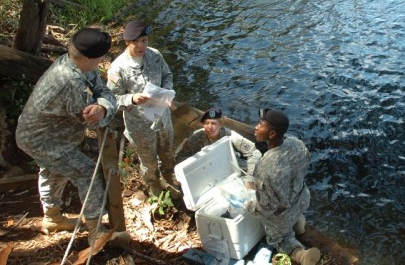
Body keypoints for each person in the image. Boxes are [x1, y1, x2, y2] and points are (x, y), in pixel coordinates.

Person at [15, 27, 117, 247]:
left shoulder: (74, 62)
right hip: (42, 139)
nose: (102, 61)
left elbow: (100, 88)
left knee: (53, 169)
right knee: (88, 173)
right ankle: (95, 230)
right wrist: (105, 108)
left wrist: (102, 103)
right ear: (91, 58)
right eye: (101, 57)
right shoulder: (71, 83)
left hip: (43, 135)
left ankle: (52, 218)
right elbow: (97, 120)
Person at [107, 20, 176, 197]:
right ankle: (155, 192)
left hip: (162, 116)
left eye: (144, 40)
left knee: (168, 153)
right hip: (140, 125)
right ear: (127, 42)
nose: (140, 46)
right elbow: (112, 99)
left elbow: (167, 74)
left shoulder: (155, 55)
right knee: (149, 162)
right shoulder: (118, 68)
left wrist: (167, 92)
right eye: (136, 42)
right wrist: (132, 98)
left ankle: (170, 181)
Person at [244, 108, 321, 265]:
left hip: (283, 217)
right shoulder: (296, 143)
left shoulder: (265, 166)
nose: (256, 127)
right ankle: (299, 224)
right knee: (293, 210)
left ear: (272, 134)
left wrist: (248, 206)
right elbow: (304, 165)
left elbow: (267, 207)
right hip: (302, 200)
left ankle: (300, 254)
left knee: (277, 239)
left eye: (260, 124)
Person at [174, 108, 261, 182]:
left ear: (221, 124)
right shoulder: (196, 137)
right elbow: (179, 156)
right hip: (205, 170)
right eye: (206, 123)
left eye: (213, 123)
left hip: (230, 165)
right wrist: (196, 167)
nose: (209, 127)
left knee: (258, 174)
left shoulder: (230, 135)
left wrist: (250, 179)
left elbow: (254, 152)